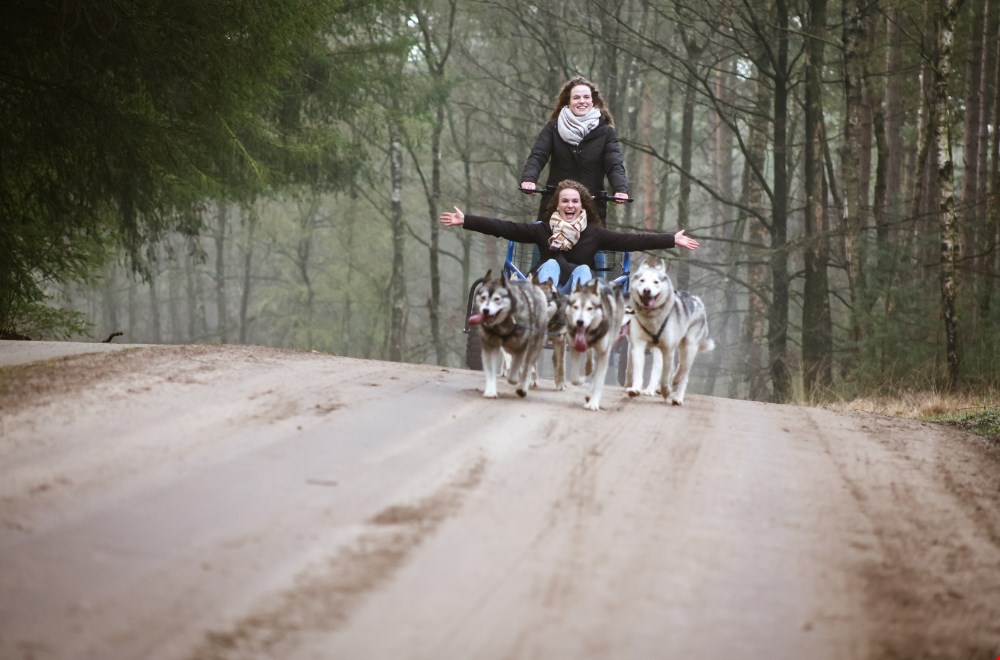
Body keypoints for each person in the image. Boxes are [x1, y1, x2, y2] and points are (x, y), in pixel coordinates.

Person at [440, 179, 699, 294]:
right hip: (544, 288)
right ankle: (546, 304)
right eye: (565, 201)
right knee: (551, 262)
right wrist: (466, 220)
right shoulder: (543, 229)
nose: (570, 205)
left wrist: (671, 239)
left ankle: (577, 313)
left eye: (575, 201)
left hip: (576, 294)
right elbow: (505, 227)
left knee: (585, 271)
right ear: (558, 204)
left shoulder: (594, 233)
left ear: (582, 204)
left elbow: (632, 240)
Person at [520, 76, 629, 223]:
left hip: (592, 207)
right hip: (555, 206)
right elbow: (538, 156)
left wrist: (620, 189)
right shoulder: (553, 128)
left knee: (596, 245)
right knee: (543, 242)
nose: (582, 101)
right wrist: (529, 179)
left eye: (586, 97)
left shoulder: (606, 132)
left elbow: (614, 163)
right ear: (568, 102)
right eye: (576, 97)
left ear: (593, 101)